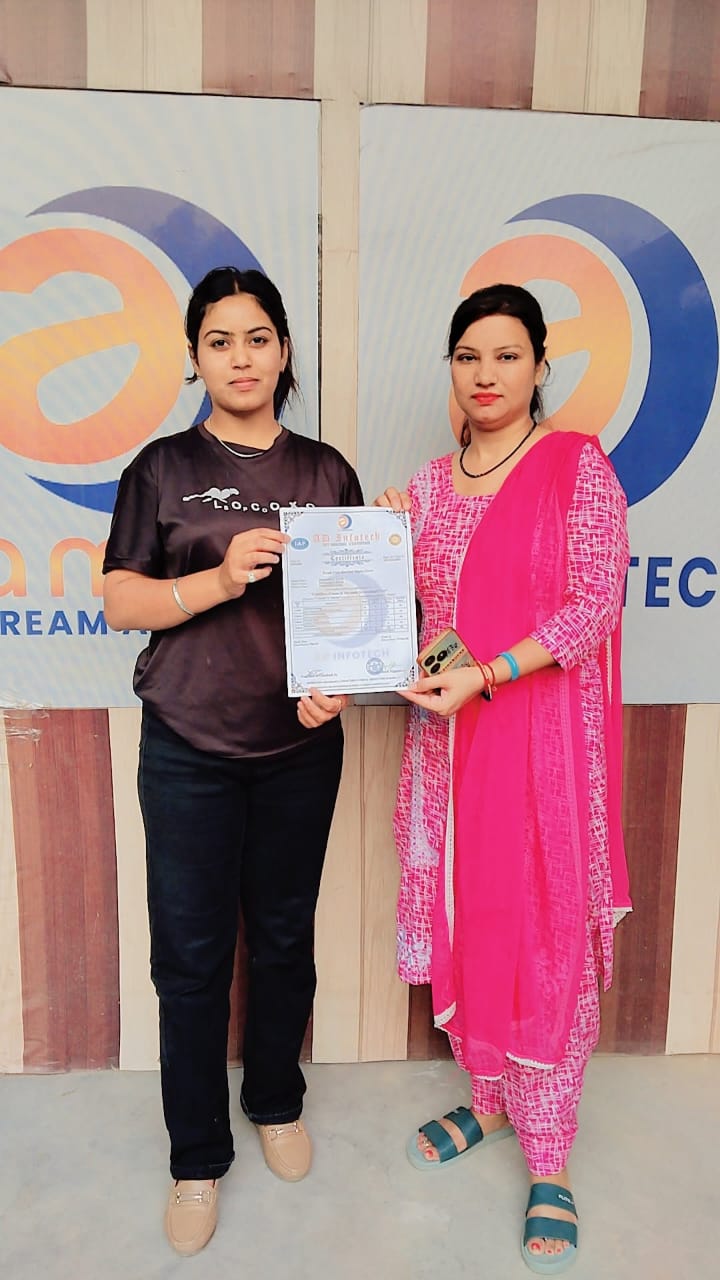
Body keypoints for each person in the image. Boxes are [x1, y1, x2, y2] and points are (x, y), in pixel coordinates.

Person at [103, 266, 362, 1256]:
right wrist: (216, 578)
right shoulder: (161, 467)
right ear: (196, 356)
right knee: (191, 955)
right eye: (219, 341)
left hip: (300, 748)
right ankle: (195, 1156)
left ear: (284, 351)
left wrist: (339, 684)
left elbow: (354, 610)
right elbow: (120, 600)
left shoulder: (326, 472)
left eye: (258, 338)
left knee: (285, 935)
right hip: (186, 747)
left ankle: (276, 1100)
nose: (241, 357)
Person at [376, 283, 631, 1274]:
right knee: (468, 916)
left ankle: (551, 1156)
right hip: (451, 746)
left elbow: (593, 603)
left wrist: (490, 672)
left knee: (542, 933)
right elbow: (422, 619)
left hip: (541, 750)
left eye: (507, 355)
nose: (485, 375)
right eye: (468, 356)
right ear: (452, 367)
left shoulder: (575, 470)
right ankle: (487, 1100)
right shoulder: (429, 486)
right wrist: (380, 547)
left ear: (539, 366)